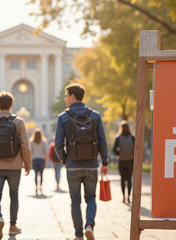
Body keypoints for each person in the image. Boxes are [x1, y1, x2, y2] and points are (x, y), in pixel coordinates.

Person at [55, 83, 108, 240]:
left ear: (72, 96)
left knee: (75, 201)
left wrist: (65, 160)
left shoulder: (63, 117)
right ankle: (89, 225)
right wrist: (104, 162)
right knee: (91, 198)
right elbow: (102, 141)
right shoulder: (95, 116)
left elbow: (58, 144)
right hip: (91, 165)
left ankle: (78, 235)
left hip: (73, 166)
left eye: (66, 96)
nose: (65, 99)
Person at [0, 91, 31, 240]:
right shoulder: (18, 122)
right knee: (14, 195)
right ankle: (13, 226)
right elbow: (25, 146)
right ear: (11, 105)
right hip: (15, 166)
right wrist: (27, 164)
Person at [112, 120, 135, 204]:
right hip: (131, 161)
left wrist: (119, 154)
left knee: (122, 179)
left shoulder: (118, 137)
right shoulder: (132, 138)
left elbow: (114, 150)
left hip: (121, 161)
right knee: (129, 179)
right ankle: (129, 196)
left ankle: (123, 197)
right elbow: (137, 149)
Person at [29, 128, 48, 196]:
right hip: (42, 159)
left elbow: (30, 152)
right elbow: (46, 152)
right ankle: (41, 187)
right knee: (41, 175)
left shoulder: (31, 142)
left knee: (36, 175)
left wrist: (29, 161)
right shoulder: (44, 141)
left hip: (34, 159)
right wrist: (46, 160)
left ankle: (36, 187)